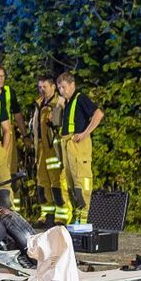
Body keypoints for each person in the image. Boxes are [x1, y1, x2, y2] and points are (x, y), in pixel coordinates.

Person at [52, 70, 103, 216]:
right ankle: (79, 216)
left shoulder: (80, 98)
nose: (61, 91)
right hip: (67, 145)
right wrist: (59, 106)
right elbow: (55, 122)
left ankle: (85, 217)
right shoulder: (66, 103)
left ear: (72, 84)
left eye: (64, 87)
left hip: (78, 145)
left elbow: (98, 114)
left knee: (82, 182)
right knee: (71, 183)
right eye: (59, 88)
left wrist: (84, 133)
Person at [28, 75, 59, 215]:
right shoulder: (39, 103)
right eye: (39, 87)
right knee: (42, 181)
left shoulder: (59, 103)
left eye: (44, 87)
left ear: (53, 87)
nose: (42, 90)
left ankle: (61, 213)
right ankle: (46, 213)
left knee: (56, 180)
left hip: (53, 148)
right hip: (40, 147)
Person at [0, 63, 18, 180]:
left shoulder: (9, 91)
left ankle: (9, 195)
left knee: (9, 166)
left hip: (7, 132)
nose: (1, 79)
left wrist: (24, 134)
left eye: (3, 76)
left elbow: (17, 113)